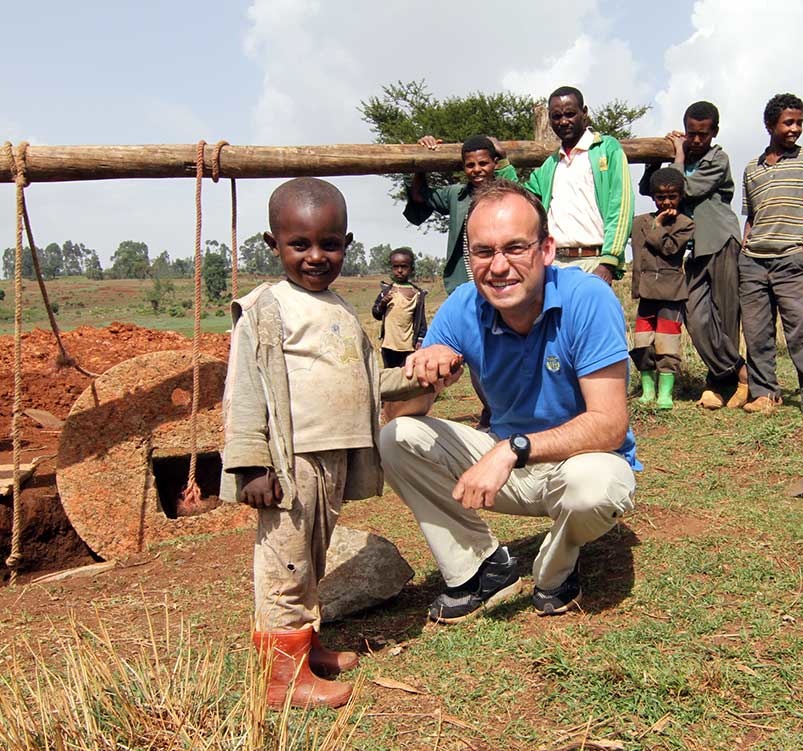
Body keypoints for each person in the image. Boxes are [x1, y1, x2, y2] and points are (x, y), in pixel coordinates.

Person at [379, 180, 639, 624]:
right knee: (396, 437)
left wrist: (511, 448)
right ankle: (480, 568)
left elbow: (610, 424)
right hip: (505, 466)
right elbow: (398, 416)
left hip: (577, 462)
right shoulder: (463, 306)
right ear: (469, 258)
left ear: (546, 250)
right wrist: (427, 376)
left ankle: (555, 573)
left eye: (516, 248)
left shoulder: (587, 299)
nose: (499, 267)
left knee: (594, 487)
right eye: (483, 252)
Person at [220, 177, 429, 709]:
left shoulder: (339, 307)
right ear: (273, 244)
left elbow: (365, 381)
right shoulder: (265, 308)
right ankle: (280, 678)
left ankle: (304, 649)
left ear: (347, 242)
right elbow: (243, 390)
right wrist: (250, 464)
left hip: (333, 459)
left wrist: (421, 377)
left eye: (329, 244)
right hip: (288, 465)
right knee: (284, 564)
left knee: (310, 559)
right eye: (300, 244)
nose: (316, 256)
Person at [639, 101, 748, 410]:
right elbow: (653, 187)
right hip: (694, 249)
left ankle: (719, 383)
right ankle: (741, 371)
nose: (696, 139)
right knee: (695, 316)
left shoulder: (718, 159)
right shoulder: (681, 158)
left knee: (726, 317)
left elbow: (685, 189)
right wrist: (655, 160)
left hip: (721, 241)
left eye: (703, 134)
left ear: (714, 131)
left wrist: (678, 154)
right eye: (690, 134)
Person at [739, 93, 803, 417]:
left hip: (790, 259)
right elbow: (752, 216)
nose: (795, 128)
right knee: (756, 332)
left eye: (799, 122)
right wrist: (745, 244)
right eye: (788, 122)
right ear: (770, 125)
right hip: (753, 261)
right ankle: (765, 393)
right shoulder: (751, 169)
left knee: (800, 328)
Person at [524, 86, 634, 284]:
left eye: (570, 114)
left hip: (594, 262)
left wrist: (608, 262)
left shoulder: (606, 149)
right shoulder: (551, 164)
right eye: (556, 116)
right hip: (554, 264)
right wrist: (502, 164)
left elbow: (621, 205)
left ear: (584, 113)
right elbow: (523, 198)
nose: (563, 121)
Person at [404, 134, 517, 295]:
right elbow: (419, 195)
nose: (477, 169)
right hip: (465, 284)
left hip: (502, 280)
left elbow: (519, 195)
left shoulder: (505, 193)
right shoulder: (456, 195)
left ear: (495, 164)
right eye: (470, 165)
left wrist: (505, 159)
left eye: (483, 163)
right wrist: (424, 160)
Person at [630, 167, 695, 410]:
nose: (666, 201)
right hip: (645, 294)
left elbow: (669, 249)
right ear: (653, 197)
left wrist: (657, 226)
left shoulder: (685, 224)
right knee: (642, 341)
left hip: (670, 294)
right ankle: (648, 390)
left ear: (681, 196)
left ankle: (664, 394)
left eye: (672, 196)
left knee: (667, 342)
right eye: (660, 197)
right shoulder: (639, 222)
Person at [371, 246, 428, 369]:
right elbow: (376, 314)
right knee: (390, 378)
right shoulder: (386, 291)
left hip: (408, 347)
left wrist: (420, 341)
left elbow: (421, 321)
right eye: (396, 267)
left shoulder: (417, 294)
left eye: (404, 266)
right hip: (388, 346)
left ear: (411, 269)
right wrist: (382, 305)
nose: (400, 270)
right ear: (391, 268)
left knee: (406, 378)